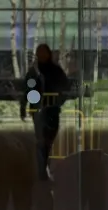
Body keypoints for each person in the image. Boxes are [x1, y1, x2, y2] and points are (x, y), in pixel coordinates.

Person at [21, 43, 73, 179]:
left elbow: (65, 88)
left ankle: (44, 165)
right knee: (41, 140)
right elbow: (26, 90)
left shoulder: (56, 71)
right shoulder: (34, 72)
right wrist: (24, 106)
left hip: (52, 110)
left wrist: (58, 101)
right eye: (39, 53)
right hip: (38, 110)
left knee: (49, 139)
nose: (42, 55)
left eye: (44, 52)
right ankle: (42, 170)